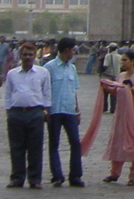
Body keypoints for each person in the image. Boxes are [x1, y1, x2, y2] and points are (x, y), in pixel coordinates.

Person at [82, 50, 134, 186]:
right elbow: (117, 92)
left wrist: (132, 89)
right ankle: (115, 172)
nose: (122, 63)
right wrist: (107, 87)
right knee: (118, 141)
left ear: (132, 61)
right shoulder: (121, 75)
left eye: (125, 60)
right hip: (121, 113)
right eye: (122, 60)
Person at [4, 41, 51, 188]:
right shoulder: (12, 74)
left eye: (31, 54)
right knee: (16, 147)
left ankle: (35, 179)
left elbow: (47, 92)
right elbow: (8, 94)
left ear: (35, 55)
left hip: (35, 112)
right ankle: (17, 178)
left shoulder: (43, 73)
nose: (28, 57)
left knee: (35, 148)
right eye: (25, 54)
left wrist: (46, 111)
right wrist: (8, 112)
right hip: (16, 113)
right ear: (20, 55)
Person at [44, 36, 85, 187]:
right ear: (66, 50)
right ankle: (57, 176)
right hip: (54, 110)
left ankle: (75, 175)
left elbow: (73, 91)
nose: (74, 53)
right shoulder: (49, 67)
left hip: (69, 110)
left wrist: (77, 109)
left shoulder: (72, 68)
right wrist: (46, 110)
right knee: (54, 144)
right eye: (73, 50)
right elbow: (46, 90)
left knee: (75, 142)